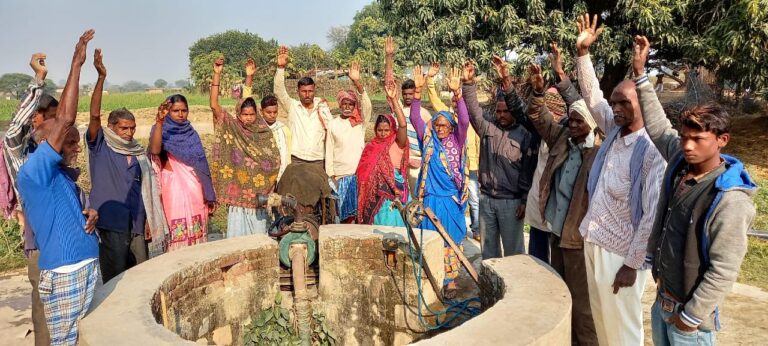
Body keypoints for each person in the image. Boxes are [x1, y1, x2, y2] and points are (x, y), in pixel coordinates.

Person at [633, 36, 757, 346]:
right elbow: (658, 127)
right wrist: (640, 75)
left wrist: (690, 318)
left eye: (698, 139)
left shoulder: (729, 199)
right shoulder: (680, 164)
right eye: (684, 137)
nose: (687, 145)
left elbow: (724, 269)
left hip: (690, 320)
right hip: (664, 302)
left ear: (722, 140)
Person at [575, 14, 667, 345]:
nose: (615, 108)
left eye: (624, 102)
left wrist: (632, 264)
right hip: (593, 243)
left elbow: (651, 215)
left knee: (624, 331)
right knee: (603, 323)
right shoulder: (615, 130)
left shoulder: (651, 150)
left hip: (620, 256)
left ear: (643, 104)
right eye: (614, 103)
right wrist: (583, 53)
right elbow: (593, 97)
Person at [17, 30, 100, 346]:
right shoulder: (34, 172)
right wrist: (76, 64)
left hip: (85, 266)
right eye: (70, 142)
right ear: (47, 145)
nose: (77, 148)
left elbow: (65, 214)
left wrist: (89, 214)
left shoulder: (62, 175)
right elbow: (64, 119)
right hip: (66, 274)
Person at [528, 59, 601, 345]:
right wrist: (538, 92)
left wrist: (564, 78)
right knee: (560, 295)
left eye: (579, 120)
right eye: (571, 119)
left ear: (591, 124)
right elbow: (538, 116)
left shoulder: (597, 154)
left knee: (582, 303)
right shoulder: (561, 139)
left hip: (579, 240)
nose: (573, 124)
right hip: (557, 232)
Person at [85, 49, 167, 282]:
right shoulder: (100, 144)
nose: (129, 133)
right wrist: (101, 78)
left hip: (136, 223)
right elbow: (94, 116)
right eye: (124, 128)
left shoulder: (138, 152)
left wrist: (148, 220)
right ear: (111, 127)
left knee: (140, 279)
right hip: (110, 223)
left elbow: (144, 190)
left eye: (132, 128)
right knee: (114, 281)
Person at [2, 52, 55, 346]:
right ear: (36, 119)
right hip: (39, 240)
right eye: (52, 119)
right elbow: (14, 129)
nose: (58, 126)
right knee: (43, 306)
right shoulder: (20, 152)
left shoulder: (54, 153)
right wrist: (38, 80)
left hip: (61, 237)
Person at [462, 55, 536, 260]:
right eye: (498, 111)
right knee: (489, 254)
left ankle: (514, 283)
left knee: (514, 255)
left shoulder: (524, 134)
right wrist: (468, 84)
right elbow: (474, 111)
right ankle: (489, 282)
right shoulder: (487, 127)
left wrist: (524, 200)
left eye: (506, 111)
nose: (501, 115)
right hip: (486, 200)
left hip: (511, 203)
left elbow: (527, 171)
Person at [410, 64, 469, 299]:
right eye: (437, 125)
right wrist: (417, 92)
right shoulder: (428, 140)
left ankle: (450, 280)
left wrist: (457, 94)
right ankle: (431, 276)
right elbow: (415, 118)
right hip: (430, 200)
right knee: (429, 239)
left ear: (451, 128)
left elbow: (464, 120)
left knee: (450, 239)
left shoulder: (457, 140)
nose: (441, 128)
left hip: (450, 200)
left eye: (445, 125)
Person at [209, 57, 280, 237]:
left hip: (258, 197)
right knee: (237, 238)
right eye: (245, 114)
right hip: (238, 196)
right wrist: (217, 75)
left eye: (251, 114)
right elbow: (214, 106)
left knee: (258, 237)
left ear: (257, 114)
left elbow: (273, 159)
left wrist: (249, 78)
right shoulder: (233, 127)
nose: (248, 118)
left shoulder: (263, 131)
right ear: (239, 115)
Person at [273, 45, 334, 220]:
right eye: (303, 91)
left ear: (314, 91)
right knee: (292, 203)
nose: (307, 94)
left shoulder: (322, 107)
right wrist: (281, 68)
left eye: (310, 91)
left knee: (320, 205)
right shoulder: (292, 106)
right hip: (296, 161)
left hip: (318, 163)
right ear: (298, 92)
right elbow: (279, 91)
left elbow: (332, 130)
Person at [149, 94, 216, 251]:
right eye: (175, 111)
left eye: (184, 110)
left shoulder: (191, 133)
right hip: (172, 189)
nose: (180, 114)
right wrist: (159, 122)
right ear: (168, 112)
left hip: (195, 189)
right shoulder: (160, 130)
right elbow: (155, 150)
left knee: (197, 235)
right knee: (176, 235)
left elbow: (201, 165)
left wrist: (208, 193)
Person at [424, 62, 482, 241]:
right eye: (455, 104)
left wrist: (479, 165)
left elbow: (477, 141)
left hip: (471, 166)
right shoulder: (445, 119)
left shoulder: (468, 123)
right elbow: (434, 98)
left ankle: (477, 229)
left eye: (460, 104)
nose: (457, 107)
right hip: (450, 171)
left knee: (473, 199)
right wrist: (430, 80)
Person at [357, 80, 409, 226]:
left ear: (392, 129)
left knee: (394, 226)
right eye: (380, 130)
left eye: (387, 130)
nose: (383, 133)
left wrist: (393, 100)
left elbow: (403, 125)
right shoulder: (371, 147)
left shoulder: (397, 142)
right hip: (374, 195)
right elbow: (363, 172)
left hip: (394, 191)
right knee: (377, 228)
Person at [384, 37, 432, 194]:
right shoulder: (398, 110)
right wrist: (389, 57)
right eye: (405, 94)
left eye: (411, 93)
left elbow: (429, 141)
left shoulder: (424, 114)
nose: (408, 97)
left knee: (419, 200)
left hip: (418, 164)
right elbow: (389, 85)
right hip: (400, 162)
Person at [326, 61, 372, 223]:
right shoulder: (333, 124)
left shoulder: (359, 123)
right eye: (344, 104)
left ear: (354, 106)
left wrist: (357, 83)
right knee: (343, 218)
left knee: (360, 216)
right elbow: (329, 151)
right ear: (340, 105)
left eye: (350, 104)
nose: (347, 107)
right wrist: (332, 176)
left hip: (359, 176)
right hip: (341, 177)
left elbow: (367, 106)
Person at [242, 59, 290, 182]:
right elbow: (245, 101)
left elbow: (288, 154)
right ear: (261, 111)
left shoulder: (283, 129)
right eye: (269, 112)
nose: (272, 115)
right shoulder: (256, 127)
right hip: (261, 177)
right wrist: (249, 77)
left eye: (275, 112)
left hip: (282, 176)